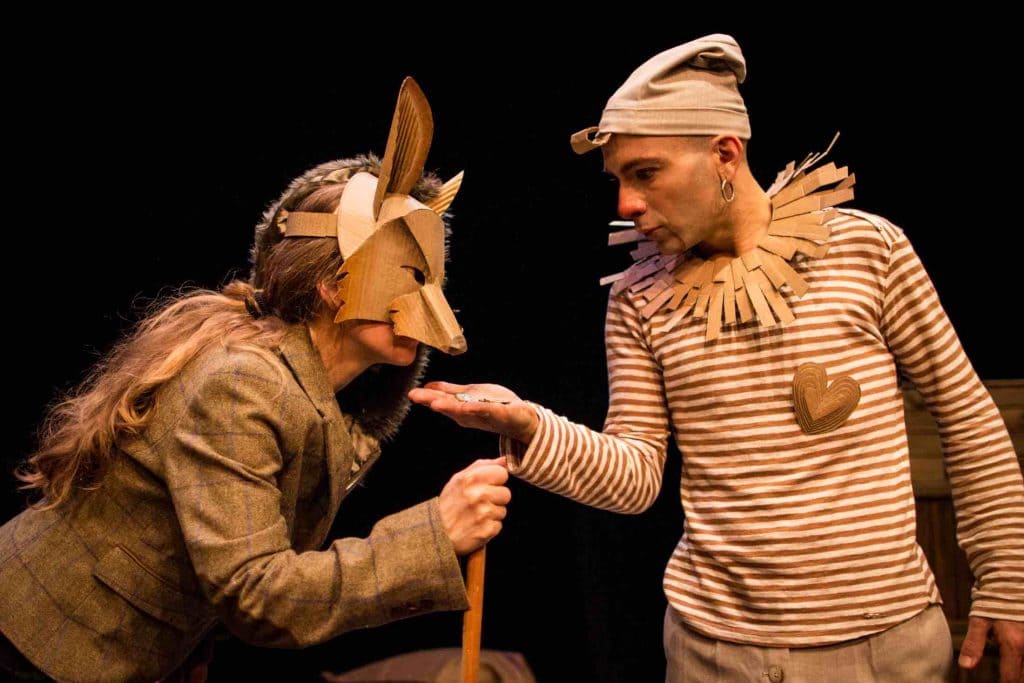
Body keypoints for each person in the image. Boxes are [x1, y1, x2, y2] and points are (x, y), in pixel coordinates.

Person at [409, 35, 1024, 682]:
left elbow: (965, 415)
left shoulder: (866, 250)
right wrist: (529, 423)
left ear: (724, 154)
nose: (625, 204)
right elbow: (635, 475)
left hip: (881, 647)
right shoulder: (640, 297)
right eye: (618, 180)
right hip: (716, 655)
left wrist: (1007, 576)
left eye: (646, 173)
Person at [0, 78, 511, 682]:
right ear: (331, 286)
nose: (432, 310)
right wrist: (435, 534)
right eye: (405, 275)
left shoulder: (306, 387)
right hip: (35, 649)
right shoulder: (244, 383)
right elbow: (257, 590)